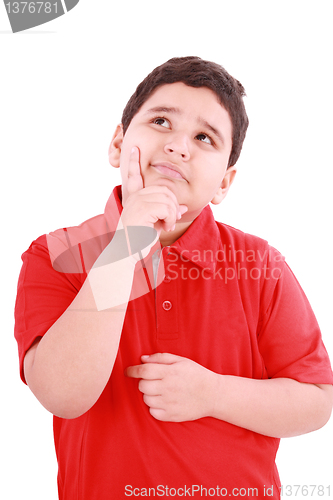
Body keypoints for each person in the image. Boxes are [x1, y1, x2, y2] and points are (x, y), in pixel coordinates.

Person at [14, 56, 333, 499]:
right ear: (117, 144)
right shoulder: (55, 254)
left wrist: (213, 393)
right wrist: (123, 248)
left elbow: (316, 402)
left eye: (204, 137)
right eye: (161, 121)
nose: (179, 146)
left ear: (224, 183)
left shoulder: (261, 265)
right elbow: (62, 394)